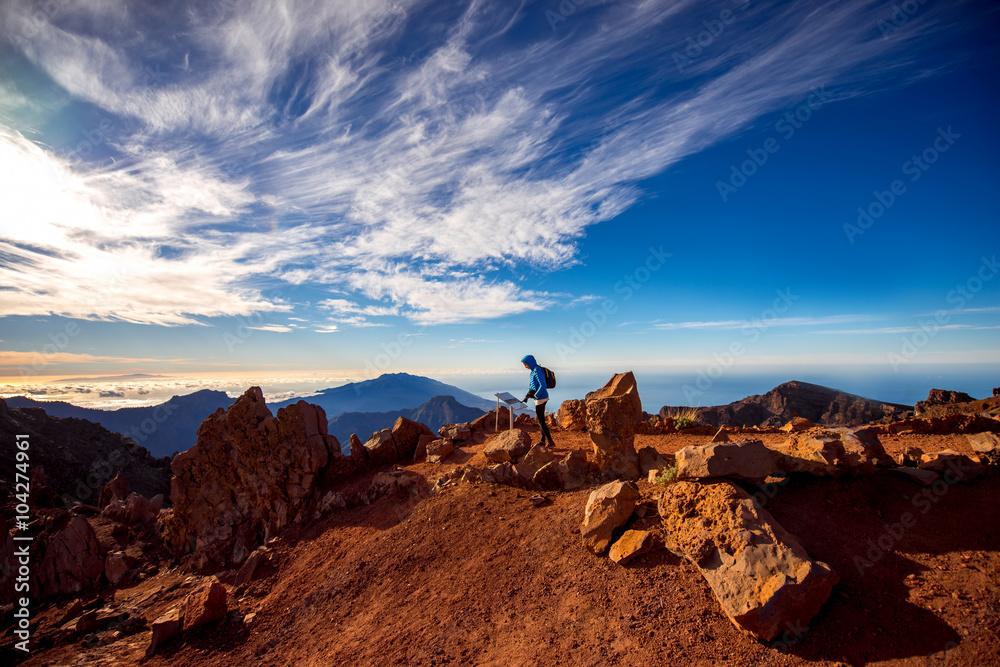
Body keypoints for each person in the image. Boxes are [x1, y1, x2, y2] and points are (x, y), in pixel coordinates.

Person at [521, 354, 555, 448]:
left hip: (541, 398)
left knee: (541, 421)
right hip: (539, 398)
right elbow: (533, 386)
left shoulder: (537, 370)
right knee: (541, 420)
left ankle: (550, 441)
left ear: (529, 362)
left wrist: (536, 395)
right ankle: (542, 441)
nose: (525, 366)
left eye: (525, 364)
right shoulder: (532, 371)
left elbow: (543, 385)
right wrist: (528, 395)